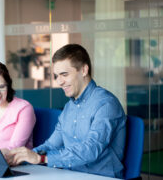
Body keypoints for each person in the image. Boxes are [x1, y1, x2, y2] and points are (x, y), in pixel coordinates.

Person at [8, 44, 126, 178]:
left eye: (64, 74)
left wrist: (41, 159)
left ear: (83, 70)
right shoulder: (69, 108)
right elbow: (52, 145)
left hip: (101, 176)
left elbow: (90, 150)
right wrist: (21, 156)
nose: (59, 81)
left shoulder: (106, 104)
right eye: (56, 76)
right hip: (70, 174)